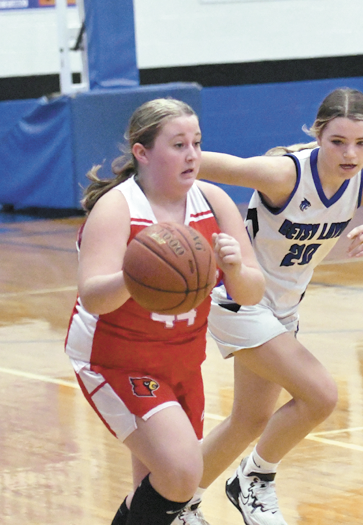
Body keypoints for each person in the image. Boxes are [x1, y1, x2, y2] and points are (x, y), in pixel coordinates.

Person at [171, 87, 363, 525]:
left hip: (283, 310)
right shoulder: (286, 175)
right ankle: (254, 479)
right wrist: (145, 165)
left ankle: (177, 504)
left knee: (249, 420)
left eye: (362, 143)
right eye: (338, 141)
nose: (350, 154)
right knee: (321, 395)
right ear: (318, 135)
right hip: (238, 297)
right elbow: (219, 165)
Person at [64, 98, 265, 525]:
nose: (192, 154)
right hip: (115, 358)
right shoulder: (118, 208)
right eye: (178, 144)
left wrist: (233, 268)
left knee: (159, 486)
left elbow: (251, 291)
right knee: (181, 473)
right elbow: (94, 296)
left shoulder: (213, 201)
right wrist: (136, 274)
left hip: (181, 359)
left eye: (196, 142)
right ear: (143, 152)